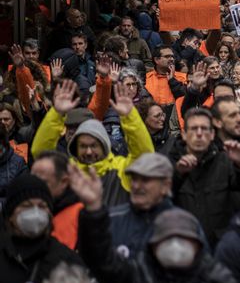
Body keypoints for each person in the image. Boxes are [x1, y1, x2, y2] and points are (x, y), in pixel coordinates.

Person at [70, 164, 239, 283]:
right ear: (153, 246)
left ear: (197, 246)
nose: (175, 247)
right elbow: (102, 262)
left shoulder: (216, 279)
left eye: (182, 240)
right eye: (167, 240)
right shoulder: (138, 276)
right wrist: (93, 210)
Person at [32, 79, 154, 207]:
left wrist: (129, 116)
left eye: (94, 145)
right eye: (83, 146)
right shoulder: (69, 172)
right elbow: (41, 154)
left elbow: (144, 157)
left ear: (104, 145)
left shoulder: (121, 170)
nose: (89, 151)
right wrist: (57, 113)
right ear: (75, 148)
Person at [168, 107, 240, 246]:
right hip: (184, 244)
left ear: (212, 134)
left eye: (204, 129)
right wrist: (178, 175)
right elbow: (162, 198)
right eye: (194, 129)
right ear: (183, 134)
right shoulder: (172, 162)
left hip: (219, 244)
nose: (199, 134)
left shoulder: (224, 161)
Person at [0, 174, 86, 283]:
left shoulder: (67, 260)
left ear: (50, 214)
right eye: (26, 206)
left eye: (42, 206)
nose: (35, 212)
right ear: (11, 215)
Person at [31, 150, 83, 250]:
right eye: (32, 180)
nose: (35, 186)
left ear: (64, 182)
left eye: (42, 182)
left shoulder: (81, 214)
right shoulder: (29, 210)